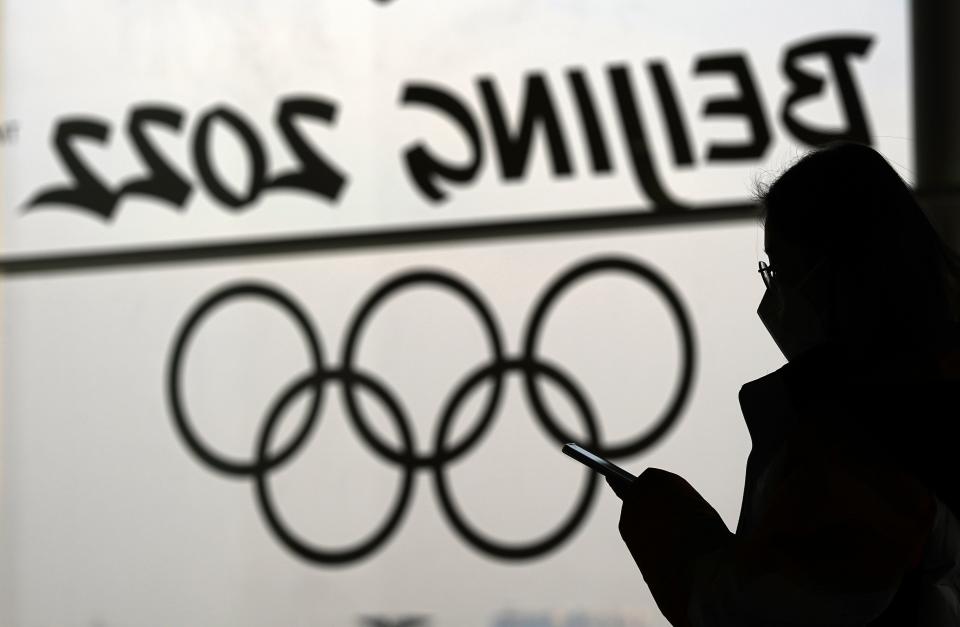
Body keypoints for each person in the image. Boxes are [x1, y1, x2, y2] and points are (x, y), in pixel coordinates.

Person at [615, 142, 960, 626]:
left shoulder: (860, 444)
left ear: (842, 272)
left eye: (778, 269)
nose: (772, 294)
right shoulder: (922, 405)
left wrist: (675, 534)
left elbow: (757, 612)